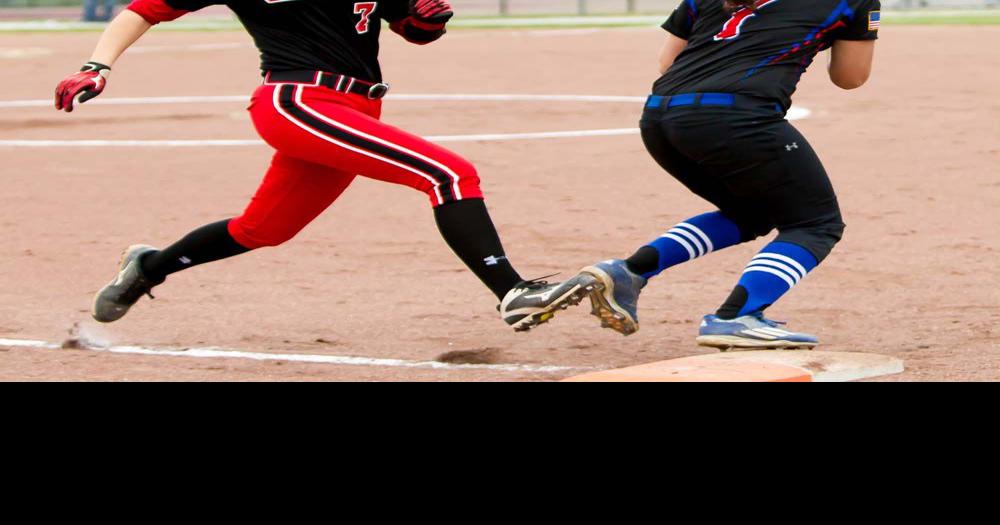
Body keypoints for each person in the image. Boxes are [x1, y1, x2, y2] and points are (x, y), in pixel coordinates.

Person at [55, 0, 583, 332]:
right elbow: (143, 9)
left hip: (357, 103)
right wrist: (96, 66)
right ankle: (514, 293)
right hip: (297, 101)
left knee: (262, 229)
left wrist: (425, 21)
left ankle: (148, 268)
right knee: (448, 174)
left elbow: (412, 28)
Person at [543, 0, 881, 350]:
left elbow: (667, 63)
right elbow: (849, 78)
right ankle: (737, 316)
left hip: (661, 118)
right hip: (736, 117)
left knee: (751, 214)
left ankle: (629, 272)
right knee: (815, 224)